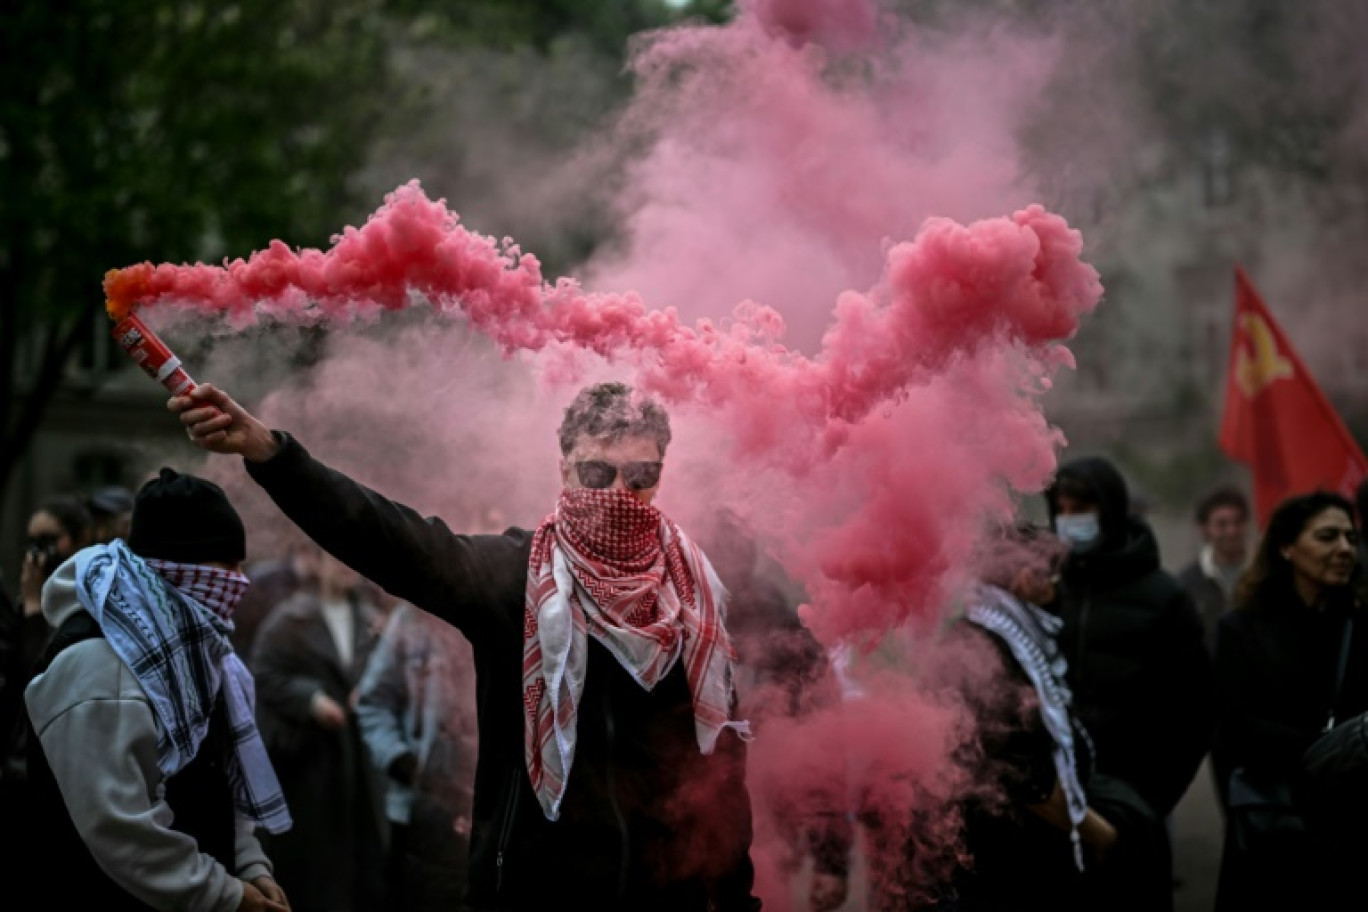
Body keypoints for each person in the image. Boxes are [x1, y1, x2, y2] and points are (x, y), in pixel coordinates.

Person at [172, 380, 762, 911]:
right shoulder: (514, 578)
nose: (617, 494)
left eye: (639, 476)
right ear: (563, 470)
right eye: (595, 474)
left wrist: (736, 897)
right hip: (536, 890)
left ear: (660, 474)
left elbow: (720, 771)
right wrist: (274, 456)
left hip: (665, 894)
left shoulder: (692, 599)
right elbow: (387, 539)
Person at [23, 468, 292, 911]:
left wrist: (250, 865)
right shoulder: (94, 664)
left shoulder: (206, 651)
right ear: (177, 568)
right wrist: (225, 895)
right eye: (225, 565)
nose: (239, 581)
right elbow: (119, 829)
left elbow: (223, 775)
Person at [1045, 457, 1212, 911]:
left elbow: (1193, 713)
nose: (1068, 519)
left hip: (1133, 809)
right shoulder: (1049, 590)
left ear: (1110, 511)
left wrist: (1148, 801)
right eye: (1060, 507)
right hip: (1055, 815)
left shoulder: (1163, 598)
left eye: (1081, 507)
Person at [1212, 491, 1366, 910]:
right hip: (1273, 830)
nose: (1344, 549)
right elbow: (1234, 727)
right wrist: (1324, 748)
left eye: (1351, 539)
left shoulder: (1360, 625)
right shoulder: (1241, 630)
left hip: (1350, 830)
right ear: (1286, 547)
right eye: (1328, 536)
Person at [251, 548, 386, 912]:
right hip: (310, 765)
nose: (346, 568)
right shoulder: (289, 619)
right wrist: (310, 700)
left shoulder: (371, 620)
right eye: (338, 558)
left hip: (360, 764)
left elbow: (388, 676)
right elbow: (262, 673)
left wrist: (370, 692)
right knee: (316, 868)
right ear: (321, 563)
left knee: (362, 864)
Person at [357, 602, 478, 911]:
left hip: (482, 809)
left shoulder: (493, 609)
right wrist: (401, 761)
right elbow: (372, 703)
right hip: (415, 809)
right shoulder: (407, 621)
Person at [0, 496, 94, 853]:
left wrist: (36, 610)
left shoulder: (89, 594)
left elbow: (40, 674)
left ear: (81, 537)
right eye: (32, 541)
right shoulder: (28, 592)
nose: (39, 552)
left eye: (49, 540)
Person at [1176, 486, 1250, 648]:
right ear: (1204, 529)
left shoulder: (1262, 575)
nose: (1231, 531)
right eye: (1222, 524)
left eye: (1237, 522)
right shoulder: (1187, 584)